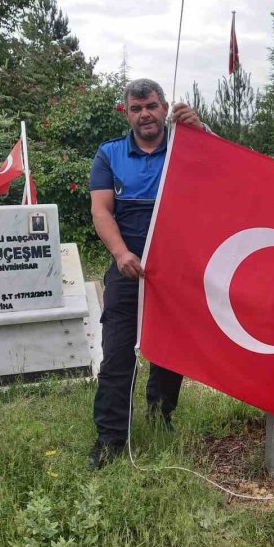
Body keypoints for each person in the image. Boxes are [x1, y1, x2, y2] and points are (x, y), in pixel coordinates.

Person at [88, 78, 206, 468]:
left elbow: (223, 173)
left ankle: (160, 417)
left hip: (176, 271)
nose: (145, 115)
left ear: (164, 106)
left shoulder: (186, 145)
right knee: (117, 356)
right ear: (127, 112)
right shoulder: (109, 155)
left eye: (152, 106)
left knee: (170, 353)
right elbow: (102, 211)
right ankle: (109, 439)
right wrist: (120, 253)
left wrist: (202, 130)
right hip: (127, 269)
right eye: (137, 109)